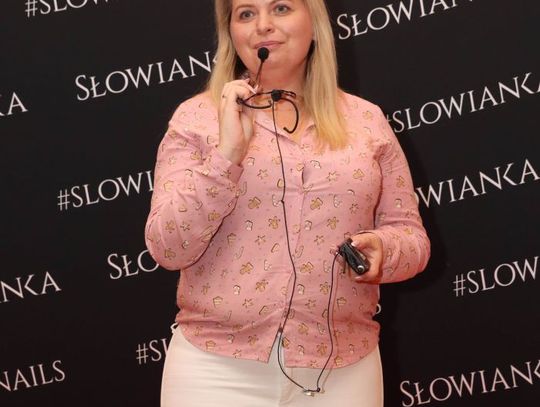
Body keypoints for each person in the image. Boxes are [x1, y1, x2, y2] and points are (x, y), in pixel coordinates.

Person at [145, 0, 430, 406]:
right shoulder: (197, 118)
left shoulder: (367, 121)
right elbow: (167, 247)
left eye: (280, 8)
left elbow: (411, 238)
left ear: (313, 21)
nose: (263, 25)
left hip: (343, 371)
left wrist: (386, 251)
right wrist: (227, 156)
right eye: (246, 13)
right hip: (215, 371)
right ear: (231, 33)